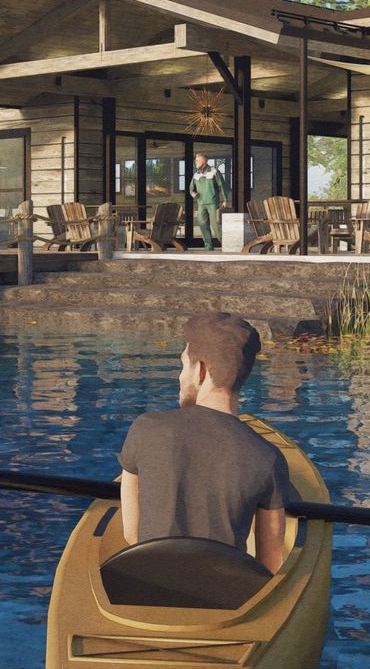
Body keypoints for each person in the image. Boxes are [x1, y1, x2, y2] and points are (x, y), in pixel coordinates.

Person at [118, 313, 291, 574]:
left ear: (200, 371)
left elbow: (132, 533)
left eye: (183, 366)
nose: (180, 377)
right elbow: (269, 564)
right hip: (225, 595)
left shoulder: (147, 428)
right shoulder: (267, 457)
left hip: (150, 584)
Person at [189, 152, 229, 250]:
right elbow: (191, 188)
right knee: (203, 225)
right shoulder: (196, 174)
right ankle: (208, 246)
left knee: (216, 225)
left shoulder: (214, 171)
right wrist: (193, 193)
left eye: (197, 160)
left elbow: (222, 186)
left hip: (213, 203)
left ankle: (226, 245)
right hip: (201, 203)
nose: (195, 162)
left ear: (204, 161)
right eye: (195, 160)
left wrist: (225, 200)